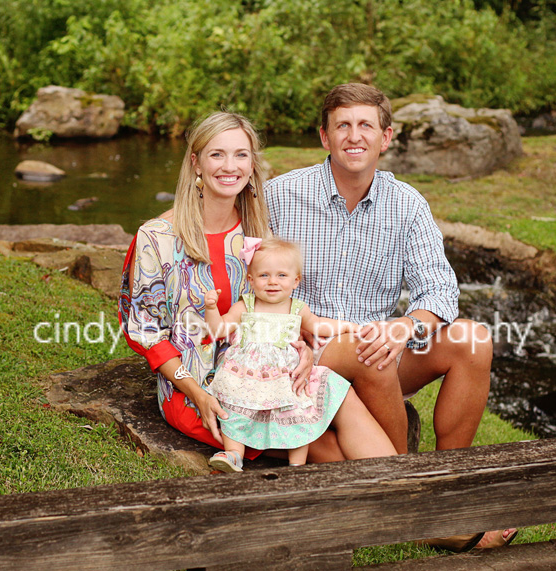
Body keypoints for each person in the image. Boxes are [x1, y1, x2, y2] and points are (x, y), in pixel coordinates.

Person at [264, 83, 516, 550]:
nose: (354, 136)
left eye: (366, 125)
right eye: (343, 125)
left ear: (386, 136)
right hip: (306, 354)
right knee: (366, 347)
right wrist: (300, 322)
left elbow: (439, 288)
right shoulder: (280, 195)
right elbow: (250, 279)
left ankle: (446, 480)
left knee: (474, 340)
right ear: (324, 136)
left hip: (379, 354)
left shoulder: (408, 204)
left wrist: (406, 325)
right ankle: (420, 508)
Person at [119, 111, 396, 468]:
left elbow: (281, 304)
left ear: (252, 164)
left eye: (241, 154)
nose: (229, 166)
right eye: (216, 154)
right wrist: (197, 393)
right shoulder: (156, 238)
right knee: (332, 451)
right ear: (196, 163)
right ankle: (425, 511)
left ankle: (433, 509)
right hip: (205, 390)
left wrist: (303, 351)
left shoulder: (257, 231)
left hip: (273, 375)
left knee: (341, 401)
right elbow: (145, 332)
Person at [202, 237, 391, 472]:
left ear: (295, 281)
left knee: (298, 413)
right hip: (246, 375)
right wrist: (211, 309)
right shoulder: (245, 306)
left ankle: (297, 464)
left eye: (281, 275)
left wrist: (346, 327)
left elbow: (319, 325)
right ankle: (233, 454)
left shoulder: (297, 308)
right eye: (264, 275)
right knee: (236, 410)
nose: (272, 282)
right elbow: (218, 329)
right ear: (250, 280)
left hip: (287, 376)